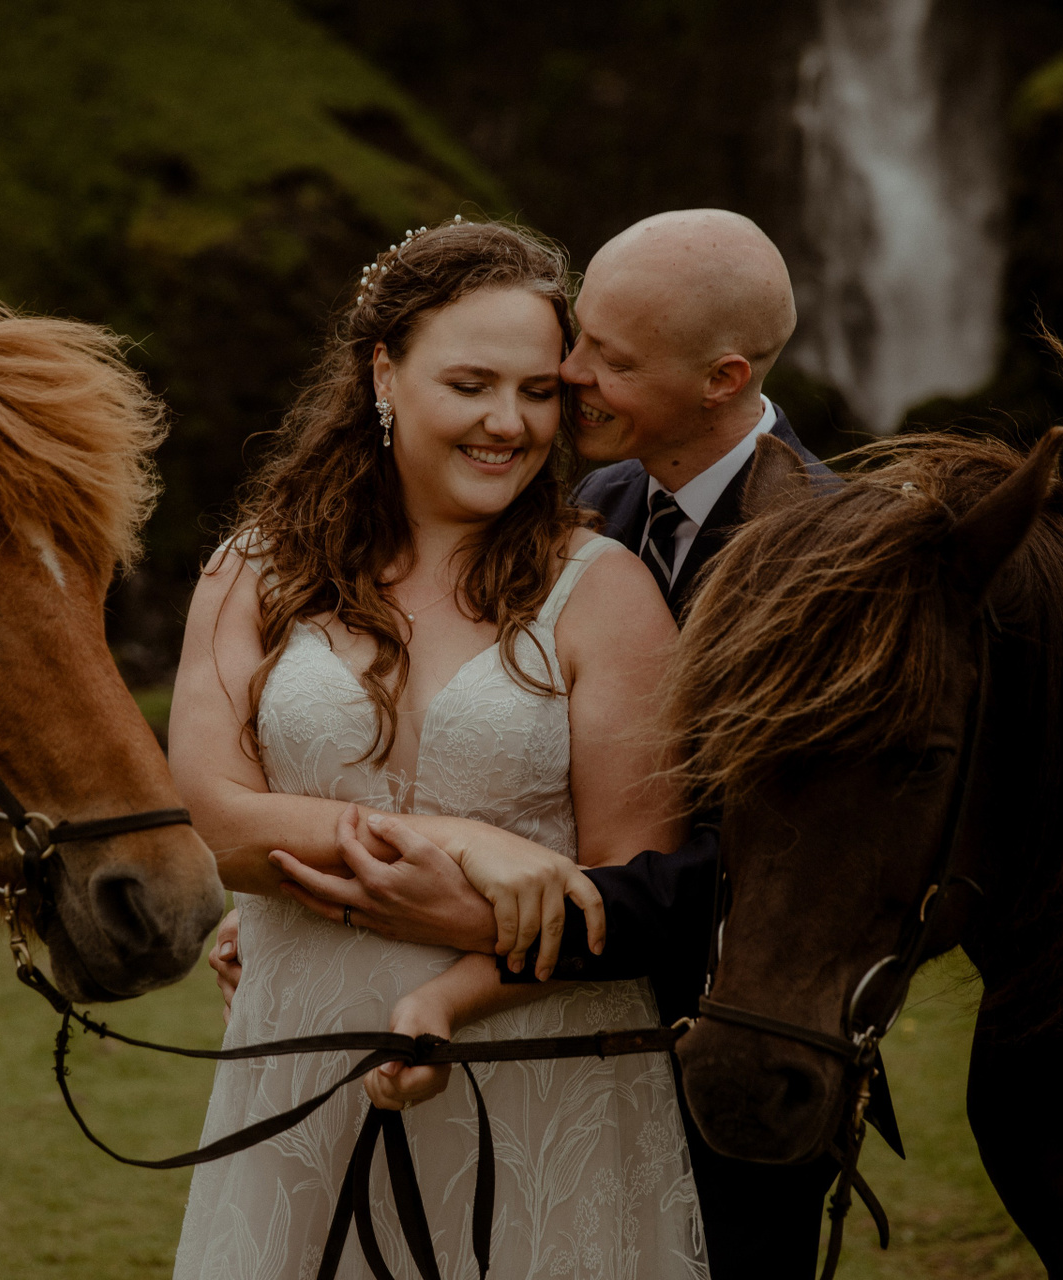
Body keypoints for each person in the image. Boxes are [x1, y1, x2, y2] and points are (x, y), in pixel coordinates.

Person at [258, 210, 886, 1279]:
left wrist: (474, 921)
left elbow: (785, 864)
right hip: (553, 1041)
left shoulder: (838, 563)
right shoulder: (597, 496)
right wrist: (312, 911)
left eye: (612, 358)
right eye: (581, 334)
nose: (569, 370)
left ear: (723, 378)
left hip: (735, 1056)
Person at [169, 217, 710, 1278]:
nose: (508, 422)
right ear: (385, 371)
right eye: (471, 384)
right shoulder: (253, 571)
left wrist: (451, 997)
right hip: (301, 1069)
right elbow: (215, 822)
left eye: (538, 391)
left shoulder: (607, 591)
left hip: (544, 1075)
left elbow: (627, 882)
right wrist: (468, 841)